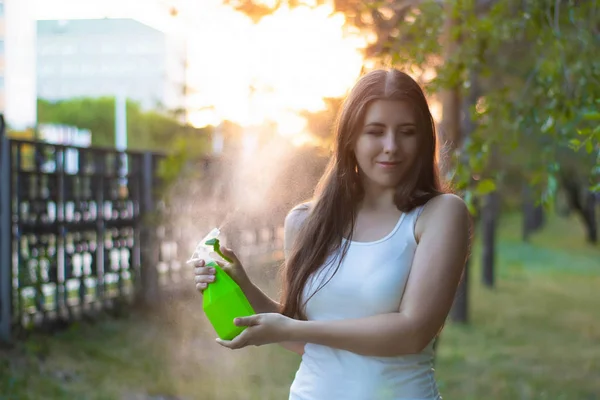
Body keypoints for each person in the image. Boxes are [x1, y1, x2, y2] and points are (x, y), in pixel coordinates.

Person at [193, 68, 471, 400]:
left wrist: (297, 328)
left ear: (424, 139)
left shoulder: (440, 214)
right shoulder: (305, 221)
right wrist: (244, 288)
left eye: (407, 132)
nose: (391, 146)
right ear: (350, 138)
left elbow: (412, 332)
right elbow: (298, 338)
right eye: (375, 131)